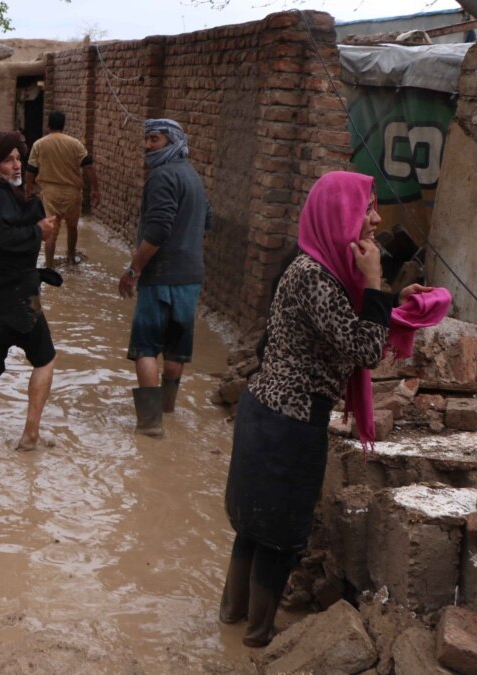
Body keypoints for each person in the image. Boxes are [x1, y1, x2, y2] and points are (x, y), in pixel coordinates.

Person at [219, 171, 432, 647]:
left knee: (253, 529)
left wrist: (391, 299)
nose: (376, 219)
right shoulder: (314, 277)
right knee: (276, 538)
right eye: (367, 208)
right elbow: (365, 348)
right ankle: (255, 643)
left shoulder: (316, 268)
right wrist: (376, 281)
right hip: (288, 426)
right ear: (340, 216)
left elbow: (344, 318)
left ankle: (231, 622)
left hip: (266, 415)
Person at [0, 131, 61, 451]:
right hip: (16, 301)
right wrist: (39, 231)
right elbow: (2, 237)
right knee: (45, 359)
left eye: (19, 158)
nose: (18, 165)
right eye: (9, 160)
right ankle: (30, 434)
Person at [118, 118, 212, 436]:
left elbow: (157, 230)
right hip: (190, 275)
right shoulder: (193, 177)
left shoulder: (161, 176)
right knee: (176, 347)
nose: (147, 146)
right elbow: (207, 221)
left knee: (146, 348)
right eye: (146, 139)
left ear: (172, 141)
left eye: (154, 139)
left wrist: (134, 270)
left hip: (159, 275)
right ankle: (168, 410)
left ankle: (149, 423)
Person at [25, 111, 101, 267]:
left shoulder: (39, 144)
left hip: (50, 193)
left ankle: (49, 265)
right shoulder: (75, 144)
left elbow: (31, 169)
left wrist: (28, 187)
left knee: (51, 231)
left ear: (48, 125)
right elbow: (88, 167)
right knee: (72, 227)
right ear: (63, 124)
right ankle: (71, 258)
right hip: (72, 192)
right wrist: (95, 188)